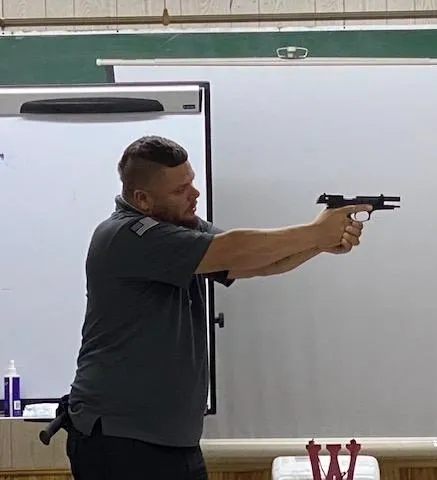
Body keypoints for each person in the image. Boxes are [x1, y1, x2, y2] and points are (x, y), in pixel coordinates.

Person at [64, 135, 370, 480]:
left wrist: (322, 242)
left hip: (170, 440)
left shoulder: (180, 229)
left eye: (191, 181)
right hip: (121, 441)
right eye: (180, 190)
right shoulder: (129, 235)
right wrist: (315, 233)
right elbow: (233, 249)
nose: (194, 194)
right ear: (142, 199)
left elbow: (257, 262)